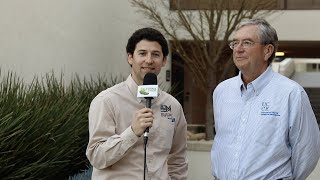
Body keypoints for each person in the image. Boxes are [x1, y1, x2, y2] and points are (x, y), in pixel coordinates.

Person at [211, 18, 320, 179]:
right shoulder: (222, 91)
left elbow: (307, 150)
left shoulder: (291, 93)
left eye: (247, 42)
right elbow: (221, 143)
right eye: (235, 43)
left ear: (267, 51)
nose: (238, 49)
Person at [86, 27, 188, 179]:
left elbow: (178, 160)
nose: (149, 60)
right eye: (142, 53)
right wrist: (132, 132)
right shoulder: (106, 101)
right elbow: (97, 157)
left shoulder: (173, 106)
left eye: (155, 54)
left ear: (164, 60)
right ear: (130, 57)